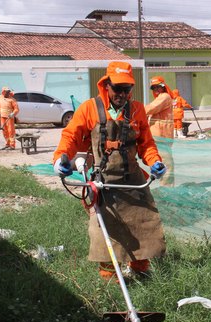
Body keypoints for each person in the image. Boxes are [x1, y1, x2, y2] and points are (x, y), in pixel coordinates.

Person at [52, 61, 167, 280]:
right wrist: (61, 158)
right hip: (101, 181)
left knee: (142, 224)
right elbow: (71, 137)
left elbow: (146, 144)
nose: (122, 94)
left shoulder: (137, 110)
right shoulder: (89, 108)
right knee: (104, 229)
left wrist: (154, 162)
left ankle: (141, 271)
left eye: (127, 89)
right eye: (117, 88)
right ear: (106, 85)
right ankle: (109, 278)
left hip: (132, 179)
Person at [145, 76, 175, 186]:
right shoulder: (162, 97)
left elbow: (150, 108)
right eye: (154, 88)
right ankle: (167, 188)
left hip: (162, 136)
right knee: (166, 163)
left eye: (158, 87)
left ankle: (166, 187)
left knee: (165, 163)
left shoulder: (164, 97)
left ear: (163, 87)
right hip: (160, 136)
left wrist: (137, 110)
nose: (156, 89)